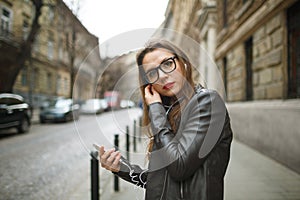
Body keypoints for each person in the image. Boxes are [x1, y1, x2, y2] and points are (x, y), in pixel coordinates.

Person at [98, 39, 233, 200]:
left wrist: (155, 109)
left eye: (167, 64)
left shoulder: (207, 103)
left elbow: (179, 167)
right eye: (153, 73)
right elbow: (160, 182)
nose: (162, 76)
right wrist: (121, 168)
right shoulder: (167, 114)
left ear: (183, 63)